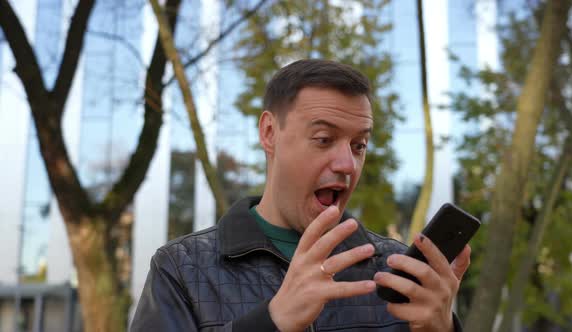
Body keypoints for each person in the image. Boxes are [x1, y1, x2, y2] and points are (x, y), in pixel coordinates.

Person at [130, 59, 471, 331]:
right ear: (269, 133)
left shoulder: (398, 273)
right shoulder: (182, 268)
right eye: (323, 139)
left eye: (359, 145)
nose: (347, 164)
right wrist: (272, 321)